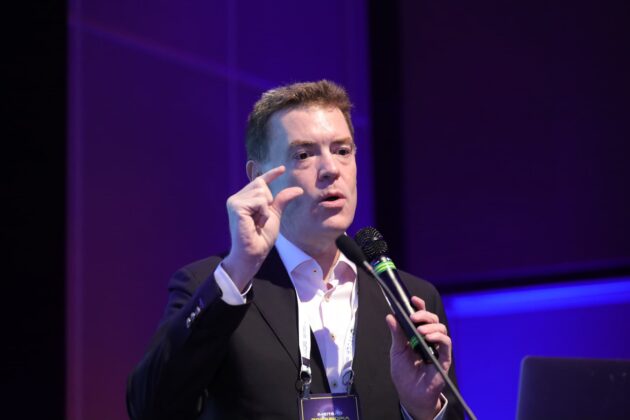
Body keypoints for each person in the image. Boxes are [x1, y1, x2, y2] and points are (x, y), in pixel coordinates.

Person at [126, 80, 463, 419]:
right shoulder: (217, 287)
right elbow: (149, 408)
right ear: (259, 177)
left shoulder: (411, 298)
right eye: (304, 155)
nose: (331, 169)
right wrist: (238, 269)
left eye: (342, 151)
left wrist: (423, 410)